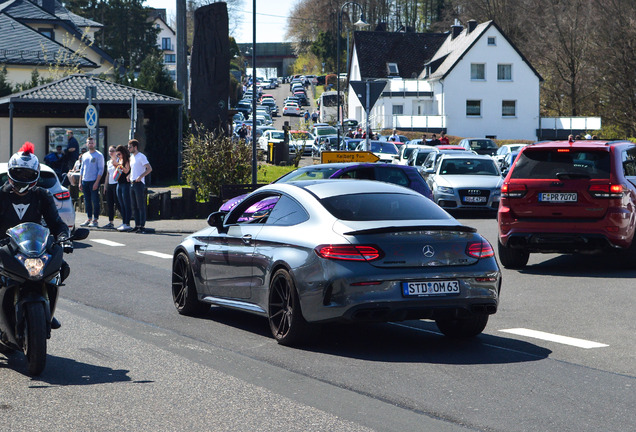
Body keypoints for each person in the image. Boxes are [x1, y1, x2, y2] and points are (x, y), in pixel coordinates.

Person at [0, 142, 71, 329]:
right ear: (10, 173)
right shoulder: (0, 195)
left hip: (32, 248)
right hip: (4, 248)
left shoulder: (42, 195)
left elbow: (56, 223)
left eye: (28, 174)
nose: (23, 178)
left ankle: (47, 309)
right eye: (19, 173)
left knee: (61, 268)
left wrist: (64, 237)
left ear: (35, 175)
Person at [78, 137, 104, 228]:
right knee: (87, 201)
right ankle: (89, 218)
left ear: (95, 144)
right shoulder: (84, 155)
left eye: (92, 143)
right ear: (86, 144)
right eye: (89, 143)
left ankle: (95, 219)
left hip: (93, 180)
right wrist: (80, 182)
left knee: (95, 200)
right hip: (85, 180)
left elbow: (101, 170)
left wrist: (97, 182)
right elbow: (82, 169)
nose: (91, 144)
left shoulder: (99, 155)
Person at [128, 139, 152, 233]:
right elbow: (133, 169)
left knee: (140, 205)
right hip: (132, 183)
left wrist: (140, 176)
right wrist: (129, 175)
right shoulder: (132, 157)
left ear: (135, 147)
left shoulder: (141, 156)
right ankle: (137, 225)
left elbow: (149, 168)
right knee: (134, 205)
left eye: (130, 147)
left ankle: (142, 226)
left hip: (139, 183)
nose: (128, 148)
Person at [114, 144, 132, 232]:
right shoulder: (119, 160)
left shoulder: (127, 160)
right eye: (117, 154)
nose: (118, 156)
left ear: (123, 153)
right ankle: (124, 221)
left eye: (119, 154)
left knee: (126, 203)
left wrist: (119, 165)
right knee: (121, 203)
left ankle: (127, 222)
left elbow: (126, 170)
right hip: (119, 183)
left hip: (125, 184)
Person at [103, 146, 120, 229]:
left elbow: (120, 171)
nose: (111, 153)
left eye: (113, 151)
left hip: (116, 183)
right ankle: (110, 222)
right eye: (110, 151)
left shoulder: (119, 160)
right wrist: (105, 186)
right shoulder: (108, 162)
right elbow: (108, 174)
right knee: (110, 204)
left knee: (118, 203)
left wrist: (116, 164)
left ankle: (125, 222)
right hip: (110, 184)